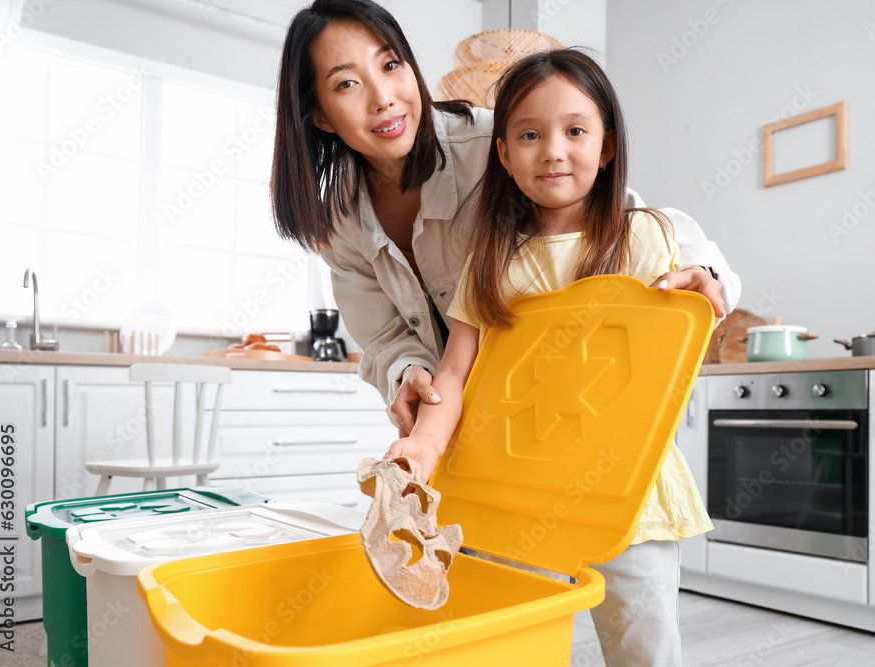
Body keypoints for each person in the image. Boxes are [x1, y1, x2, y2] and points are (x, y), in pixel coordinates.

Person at [270, 0, 741, 437]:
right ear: (321, 117)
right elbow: (385, 336)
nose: (383, 98)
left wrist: (703, 273)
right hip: (459, 427)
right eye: (346, 83)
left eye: (391, 65)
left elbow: (618, 216)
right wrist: (407, 374)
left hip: (556, 413)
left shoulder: (493, 142)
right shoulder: (336, 221)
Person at [383, 49, 708, 666]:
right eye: (530, 135)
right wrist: (424, 445)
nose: (553, 150)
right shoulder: (492, 260)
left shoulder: (645, 239)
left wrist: (704, 288)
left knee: (645, 643)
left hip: (625, 496)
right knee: (512, 642)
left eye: (576, 131)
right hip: (516, 493)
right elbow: (454, 371)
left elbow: (668, 352)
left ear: (607, 147)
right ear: (503, 154)